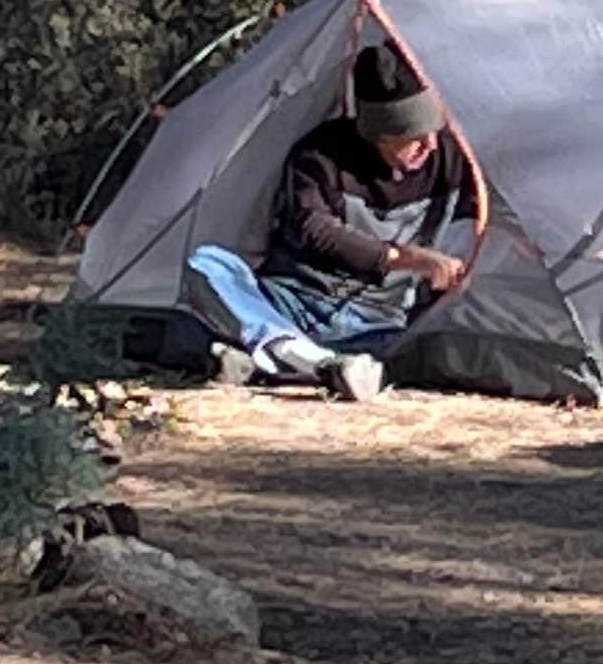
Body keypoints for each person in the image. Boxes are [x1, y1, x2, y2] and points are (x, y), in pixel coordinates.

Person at [182, 44, 479, 400]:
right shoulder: (320, 155)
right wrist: (408, 258)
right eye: (411, 138)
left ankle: (273, 360)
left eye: (434, 130)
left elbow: (490, 219)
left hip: (376, 320)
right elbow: (314, 227)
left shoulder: (449, 162)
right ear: (377, 134)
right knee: (206, 266)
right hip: (292, 302)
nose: (429, 145)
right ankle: (322, 365)